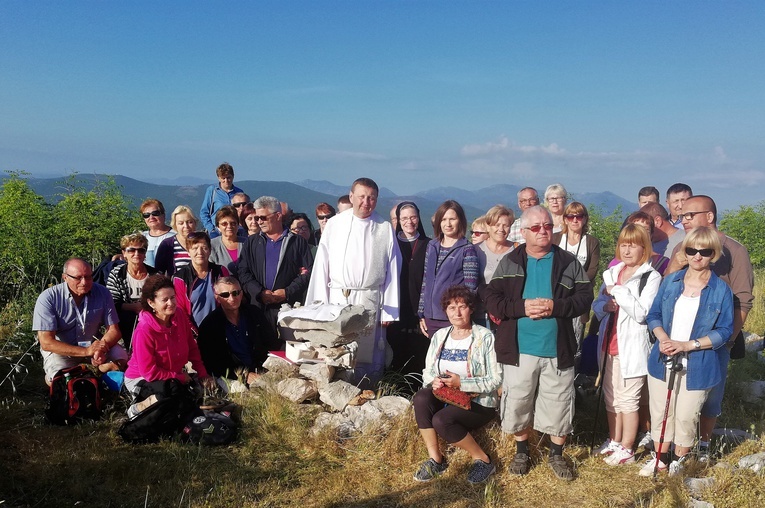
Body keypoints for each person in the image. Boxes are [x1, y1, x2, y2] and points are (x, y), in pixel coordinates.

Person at [481, 205, 593, 481]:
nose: (543, 231)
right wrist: (521, 308)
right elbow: (491, 298)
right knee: (518, 401)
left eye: (547, 226)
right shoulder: (511, 261)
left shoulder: (568, 262)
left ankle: (556, 454)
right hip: (519, 349)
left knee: (559, 402)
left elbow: (584, 298)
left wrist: (556, 306)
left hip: (558, 347)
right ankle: (522, 450)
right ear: (524, 231)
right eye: (536, 227)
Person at [638, 227, 734, 476]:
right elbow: (654, 315)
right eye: (691, 250)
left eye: (704, 251)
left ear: (714, 254)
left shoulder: (721, 290)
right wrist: (662, 338)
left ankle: (679, 461)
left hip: (699, 363)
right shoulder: (671, 281)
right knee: (660, 412)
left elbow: (725, 331)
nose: (697, 256)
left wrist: (688, 345)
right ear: (684, 251)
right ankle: (659, 458)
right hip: (663, 358)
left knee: (686, 415)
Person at [666, 195, 754, 461]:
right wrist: (678, 261)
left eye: (690, 215)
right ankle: (677, 444)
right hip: (678, 336)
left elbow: (743, 299)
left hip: (714, 339)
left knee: (710, 396)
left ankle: (703, 446)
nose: (684, 221)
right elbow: (666, 288)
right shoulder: (682, 246)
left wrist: (726, 340)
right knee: (677, 392)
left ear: (710, 216)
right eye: (681, 216)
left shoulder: (734, 251)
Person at [306, 178, 402, 384]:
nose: (366, 202)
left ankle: (368, 387)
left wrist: (389, 310)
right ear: (351, 197)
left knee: (367, 352)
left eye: (371, 198)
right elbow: (322, 263)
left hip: (370, 297)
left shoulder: (384, 228)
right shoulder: (335, 224)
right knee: (338, 347)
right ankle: (337, 387)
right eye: (361, 196)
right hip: (338, 296)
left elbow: (394, 267)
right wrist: (318, 303)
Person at [412, 285, 502, 484]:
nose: (457, 312)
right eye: (452, 308)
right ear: (446, 311)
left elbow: (496, 379)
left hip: (478, 401)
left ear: (471, 309)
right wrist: (433, 380)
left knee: (441, 420)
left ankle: (483, 460)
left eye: (462, 306)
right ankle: (436, 459)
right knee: (420, 398)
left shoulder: (484, 337)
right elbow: (428, 371)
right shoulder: (440, 336)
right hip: (447, 396)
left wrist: (462, 382)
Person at [591, 224, 661, 466]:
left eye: (633, 244)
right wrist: (605, 306)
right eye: (623, 244)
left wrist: (618, 293)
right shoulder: (612, 273)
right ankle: (614, 440)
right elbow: (597, 305)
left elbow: (642, 313)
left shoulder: (651, 277)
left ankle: (628, 448)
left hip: (632, 348)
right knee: (611, 398)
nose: (627, 249)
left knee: (628, 400)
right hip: (609, 343)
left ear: (644, 248)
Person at [33, 258, 128, 384]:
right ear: (65, 277)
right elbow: (46, 342)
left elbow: (114, 330)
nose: (84, 282)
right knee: (62, 381)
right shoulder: (48, 298)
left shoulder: (103, 293)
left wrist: (101, 348)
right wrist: (86, 351)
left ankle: (100, 375)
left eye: (88, 277)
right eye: (78, 278)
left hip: (94, 344)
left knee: (123, 361)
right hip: (62, 349)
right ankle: (57, 379)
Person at [238, 196, 313, 351]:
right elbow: (243, 272)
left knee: (287, 353)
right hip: (258, 309)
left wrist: (287, 292)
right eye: (257, 217)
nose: (259, 221)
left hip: (288, 309)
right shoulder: (252, 242)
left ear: (278, 216)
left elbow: (307, 273)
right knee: (260, 353)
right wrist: (260, 292)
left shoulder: (297, 242)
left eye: (263, 217)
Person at [124, 274, 213, 404]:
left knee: (197, 393)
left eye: (172, 297)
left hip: (172, 376)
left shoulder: (180, 316)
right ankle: (138, 409)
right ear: (151, 303)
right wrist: (179, 377)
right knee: (172, 393)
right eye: (164, 300)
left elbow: (192, 348)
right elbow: (149, 371)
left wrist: (202, 374)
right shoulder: (144, 330)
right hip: (142, 378)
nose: (170, 303)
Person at [418, 200, 479, 339]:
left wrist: (459, 314)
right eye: (444, 219)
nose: (448, 224)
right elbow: (426, 281)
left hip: (453, 317)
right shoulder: (432, 246)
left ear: (460, 221)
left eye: (452, 219)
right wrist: (422, 313)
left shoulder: (466, 249)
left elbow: (471, 288)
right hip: (430, 318)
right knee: (436, 357)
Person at [197, 277, 269, 389]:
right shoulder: (209, 325)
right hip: (230, 375)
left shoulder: (254, 314)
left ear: (241, 294)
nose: (232, 298)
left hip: (260, 368)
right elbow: (211, 363)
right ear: (217, 297)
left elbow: (270, 342)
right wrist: (244, 375)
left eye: (235, 293)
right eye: (225, 295)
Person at [387, 201, 431, 381]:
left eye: (413, 217)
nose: (409, 222)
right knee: (395, 353)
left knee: (420, 353)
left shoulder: (430, 245)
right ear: (398, 220)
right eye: (404, 218)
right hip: (396, 308)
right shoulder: (391, 244)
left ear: (419, 218)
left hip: (421, 311)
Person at [552, 202, 601, 342]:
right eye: (570, 216)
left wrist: (575, 284)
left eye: (579, 216)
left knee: (576, 339)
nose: (574, 220)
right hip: (557, 296)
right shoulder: (555, 239)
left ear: (585, 219)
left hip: (579, 297)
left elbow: (592, 269)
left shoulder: (592, 242)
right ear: (565, 219)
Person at [106, 233, 159, 350]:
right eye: (131, 250)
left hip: (151, 318)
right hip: (125, 321)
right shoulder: (117, 274)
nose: (136, 254)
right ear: (124, 253)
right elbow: (112, 303)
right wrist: (134, 307)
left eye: (141, 250)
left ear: (145, 254)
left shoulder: (155, 275)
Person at [172, 232, 230, 327]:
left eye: (204, 248)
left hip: (220, 329)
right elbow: (180, 310)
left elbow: (229, 301)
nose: (200, 252)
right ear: (188, 251)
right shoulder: (180, 278)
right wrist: (193, 334)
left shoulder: (220, 272)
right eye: (195, 248)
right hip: (193, 333)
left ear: (210, 250)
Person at [200, 162, 244, 237]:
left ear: (233, 177)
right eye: (223, 178)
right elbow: (204, 212)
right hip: (217, 231)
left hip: (234, 230)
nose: (226, 181)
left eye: (228, 177)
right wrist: (212, 229)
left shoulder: (239, 192)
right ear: (219, 178)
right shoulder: (212, 191)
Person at [155, 205, 199, 276]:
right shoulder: (167, 245)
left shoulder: (204, 242)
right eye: (181, 223)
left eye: (190, 222)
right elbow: (159, 273)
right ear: (175, 225)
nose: (186, 226)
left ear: (195, 223)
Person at [210, 205, 245, 277]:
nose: (229, 226)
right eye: (224, 224)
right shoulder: (211, 245)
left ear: (238, 225)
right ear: (218, 227)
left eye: (233, 223)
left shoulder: (247, 243)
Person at [140, 199, 176, 268]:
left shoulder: (176, 235)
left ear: (163, 215)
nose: (151, 217)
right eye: (146, 215)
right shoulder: (141, 237)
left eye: (155, 213)